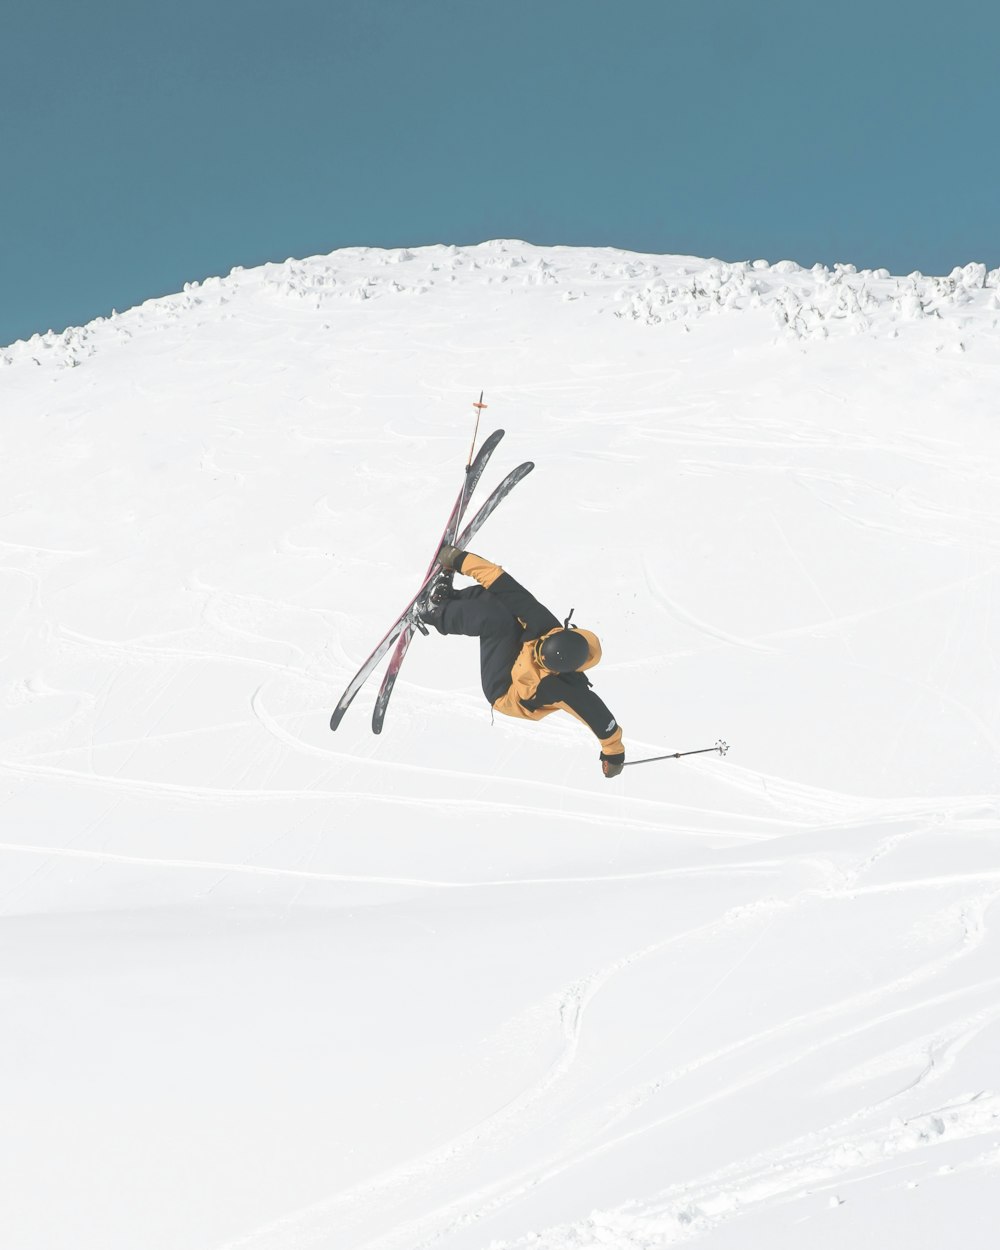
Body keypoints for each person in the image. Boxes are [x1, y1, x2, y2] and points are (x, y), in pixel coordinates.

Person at [418, 546, 625, 778]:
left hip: (506, 689)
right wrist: (460, 560)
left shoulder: (557, 687)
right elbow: (503, 584)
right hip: (518, 657)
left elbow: (597, 714)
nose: (537, 654)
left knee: (495, 621)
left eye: (541, 660)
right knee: (502, 601)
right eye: (539, 649)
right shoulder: (545, 625)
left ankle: (434, 613)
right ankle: (448, 602)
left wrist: (613, 754)